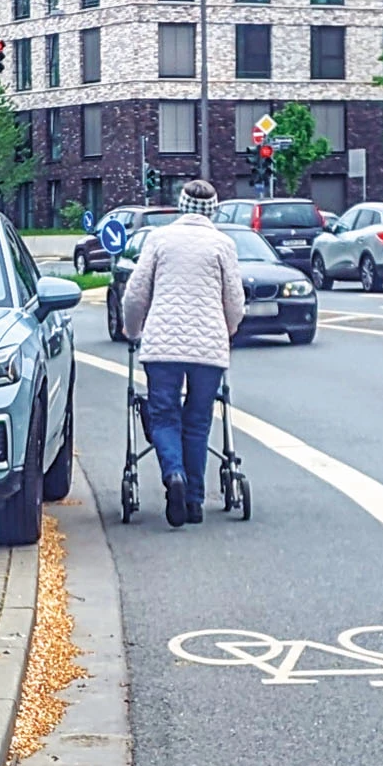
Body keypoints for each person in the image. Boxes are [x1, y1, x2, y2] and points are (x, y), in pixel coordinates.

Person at [121, 180, 244, 528]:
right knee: (199, 419)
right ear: (213, 209)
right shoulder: (223, 244)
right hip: (208, 347)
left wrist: (132, 329)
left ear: (181, 204)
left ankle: (173, 474)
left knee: (163, 415)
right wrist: (228, 329)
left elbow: (135, 294)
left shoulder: (158, 239)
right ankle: (194, 500)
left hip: (162, 345)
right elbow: (234, 301)